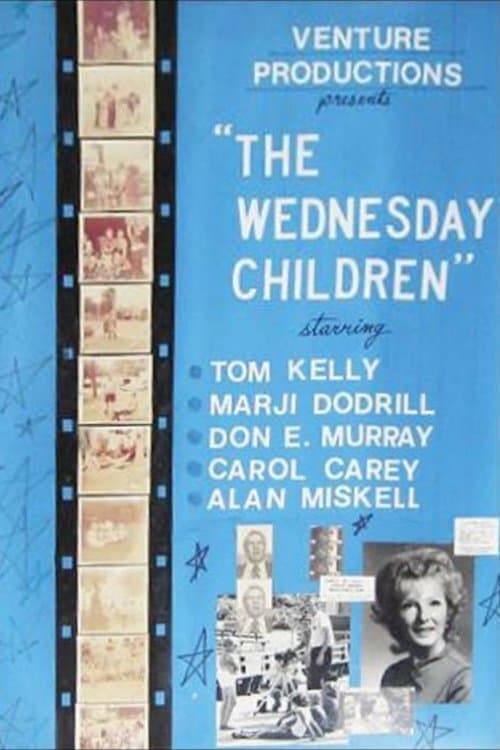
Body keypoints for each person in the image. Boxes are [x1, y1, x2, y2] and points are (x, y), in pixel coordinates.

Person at [372, 546, 471, 703]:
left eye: (434, 603)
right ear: (394, 614)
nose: (423, 616)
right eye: (409, 605)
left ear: (449, 609)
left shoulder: (463, 679)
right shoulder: (392, 676)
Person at [306, 599, 336, 689]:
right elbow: (313, 638)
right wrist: (308, 653)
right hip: (315, 649)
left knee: (321, 678)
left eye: (311, 606)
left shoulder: (322, 617)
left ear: (316, 606)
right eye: (307, 607)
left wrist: (321, 654)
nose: (309, 608)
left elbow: (327, 636)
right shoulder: (313, 618)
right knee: (312, 678)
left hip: (323, 649)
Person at [218, 637, 239, 731]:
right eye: (233, 645)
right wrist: (234, 667)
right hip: (227, 680)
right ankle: (224, 724)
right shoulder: (226, 655)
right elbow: (232, 670)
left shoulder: (226, 655)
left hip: (227, 679)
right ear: (228, 646)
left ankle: (224, 723)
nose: (235, 647)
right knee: (229, 701)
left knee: (230, 702)